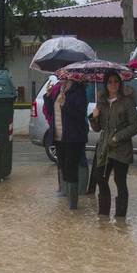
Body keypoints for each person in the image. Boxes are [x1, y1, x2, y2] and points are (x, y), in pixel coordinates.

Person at [88, 71, 137, 218]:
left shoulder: (127, 101)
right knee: (100, 178)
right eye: (110, 82)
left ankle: (120, 218)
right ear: (105, 84)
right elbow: (97, 128)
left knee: (120, 180)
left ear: (120, 83)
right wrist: (93, 117)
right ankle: (103, 217)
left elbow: (136, 125)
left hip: (121, 148)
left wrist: (118, 137)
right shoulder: (102, 102)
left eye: (116, 81)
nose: (113, 85)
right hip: (104, 146)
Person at [50, 78, 89, 210]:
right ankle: (67, 199)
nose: (60, 78)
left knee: (71, 168)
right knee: (63, 166)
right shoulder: (60, 91)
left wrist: (65, 105)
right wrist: (48, 96)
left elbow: (80, 113)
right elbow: (52, 112)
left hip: (74, 137)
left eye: (64, 75)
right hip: (59, 136)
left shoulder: (78, 91)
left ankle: (73, 205)